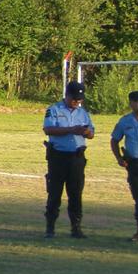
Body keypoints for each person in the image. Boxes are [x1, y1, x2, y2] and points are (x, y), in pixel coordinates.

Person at [43, 81, 95, 238]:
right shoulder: (54, 110)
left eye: (79, 100)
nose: (77, 102)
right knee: (54, 193)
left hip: (76, 158)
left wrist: (86, 132)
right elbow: (48, 129)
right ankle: (50, 227)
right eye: (74, 99)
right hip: (58, 157)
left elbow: (91, 133)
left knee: (76, 193)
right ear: (67, 95)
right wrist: (71, 130)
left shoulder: (83, 113)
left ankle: (76, 227)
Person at [110, 90, 138, 241]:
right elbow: (114, 140)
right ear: (131, 103)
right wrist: (119, 158)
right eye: (137, 101)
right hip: (135, 165)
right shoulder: (125, 121)